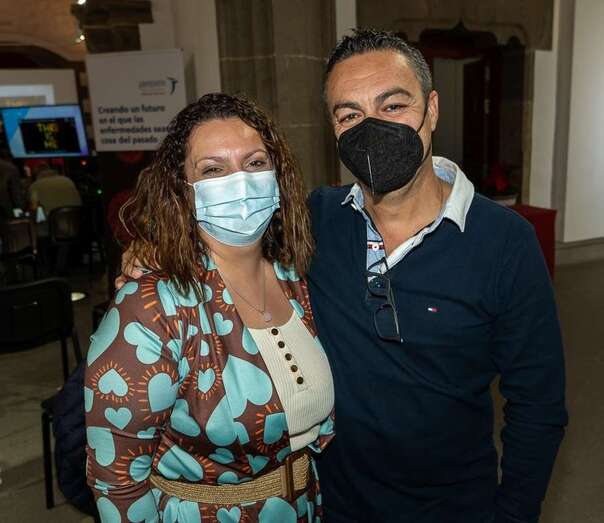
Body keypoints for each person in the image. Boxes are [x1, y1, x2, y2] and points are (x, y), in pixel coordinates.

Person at [120, 29, 567, 523]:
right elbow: (227, 244)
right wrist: (154, 250)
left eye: (392, 105)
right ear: (333, 128)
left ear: (432, 109)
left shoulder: (505, 242)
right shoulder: (314, 220)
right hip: (331, 504)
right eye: (349, 114)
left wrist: (514, 515)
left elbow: (538, 405)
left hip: (455, 507)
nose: (371, 128)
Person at [85, 93, 335, 522]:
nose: (240, 181)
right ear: (182, 191)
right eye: (213, 170)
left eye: (255, 162)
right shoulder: (151, 308)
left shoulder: (297, 278)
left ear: (278, 176)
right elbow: (117, 480)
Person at [0, 149, 25, 219]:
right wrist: (20, 214)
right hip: (6, 210)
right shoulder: (11, 168)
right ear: (9, 158)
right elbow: (16, 194)